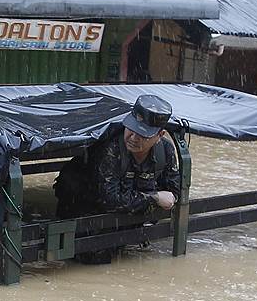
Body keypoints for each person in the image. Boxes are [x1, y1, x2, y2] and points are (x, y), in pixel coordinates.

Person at [55, 94, 181, 263]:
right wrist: (154, 197)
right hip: (85, 211)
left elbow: (174, 191)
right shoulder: (111, 149)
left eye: (143, 135)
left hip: (122, 217)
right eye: (131, 129)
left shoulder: (165, 150)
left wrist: (161, 198)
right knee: (92, 259)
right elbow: (111, 200)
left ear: (160, 135)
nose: (133, 138)